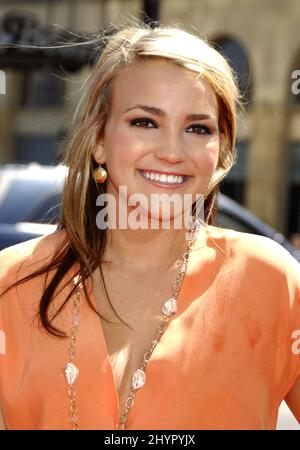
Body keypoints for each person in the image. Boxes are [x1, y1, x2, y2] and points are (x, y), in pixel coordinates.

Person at [0, 20, 300, 431]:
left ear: (221, 150)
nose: (172, 151)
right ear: (99, 139)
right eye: (145, 122)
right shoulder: (12, 283)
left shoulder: (268, 280)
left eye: (198, 128)